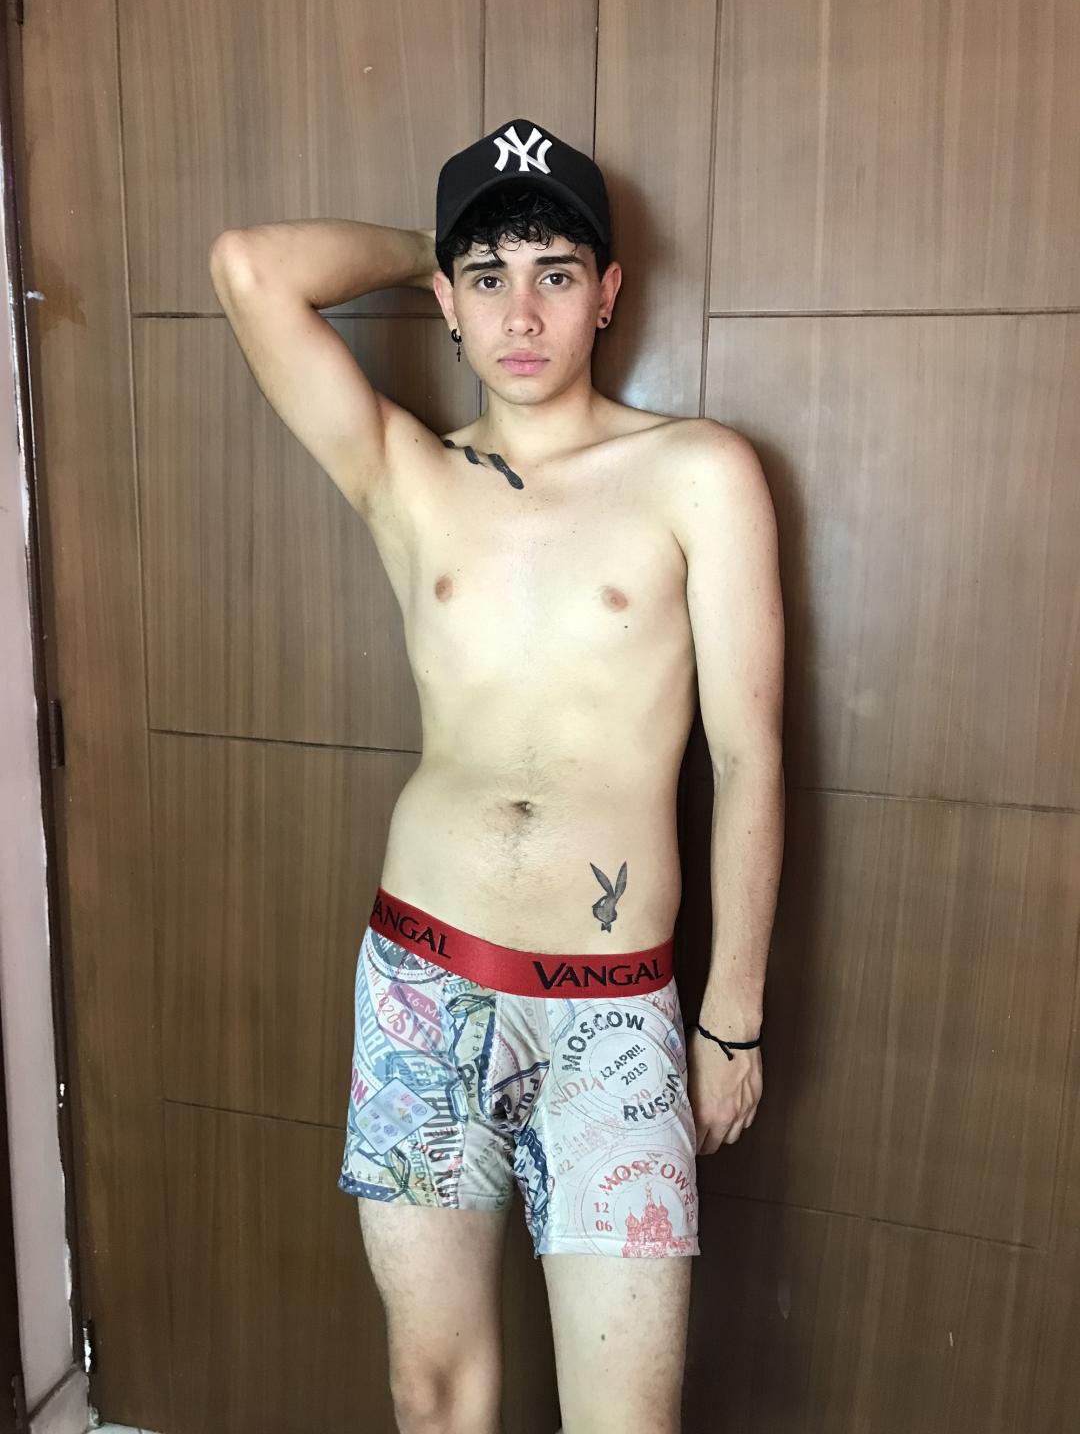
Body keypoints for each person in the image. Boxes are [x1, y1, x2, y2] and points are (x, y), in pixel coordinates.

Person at [209, 115, 785, 1434]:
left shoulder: (697, 472)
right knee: (433, 1398)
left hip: (615, 1018)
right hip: (424, 984)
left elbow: (751, 758)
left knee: (627, 1421)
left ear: (609, 293)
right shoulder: (408, 473)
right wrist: (442, 238)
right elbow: (249, 268)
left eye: (555, 273)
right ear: (447, 301)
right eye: (488, 278)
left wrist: (733, 1021)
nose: (521, 313)